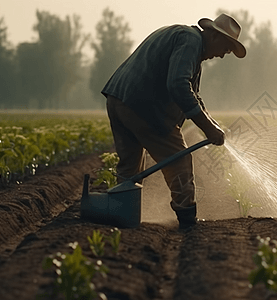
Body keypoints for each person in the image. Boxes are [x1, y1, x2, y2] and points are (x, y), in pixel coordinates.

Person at [101, 13, 246, 230]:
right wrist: (207, 128)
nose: (223, 56)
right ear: (215, 37)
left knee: (129, 168)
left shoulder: (185, 39)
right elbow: (178, 85)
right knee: (180, 164)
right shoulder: (191, 42)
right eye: (225, 49)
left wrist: (211, 124)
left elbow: (193, 93)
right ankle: (187, 223)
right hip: (144, 107)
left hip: (118, 98)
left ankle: (121, 220)